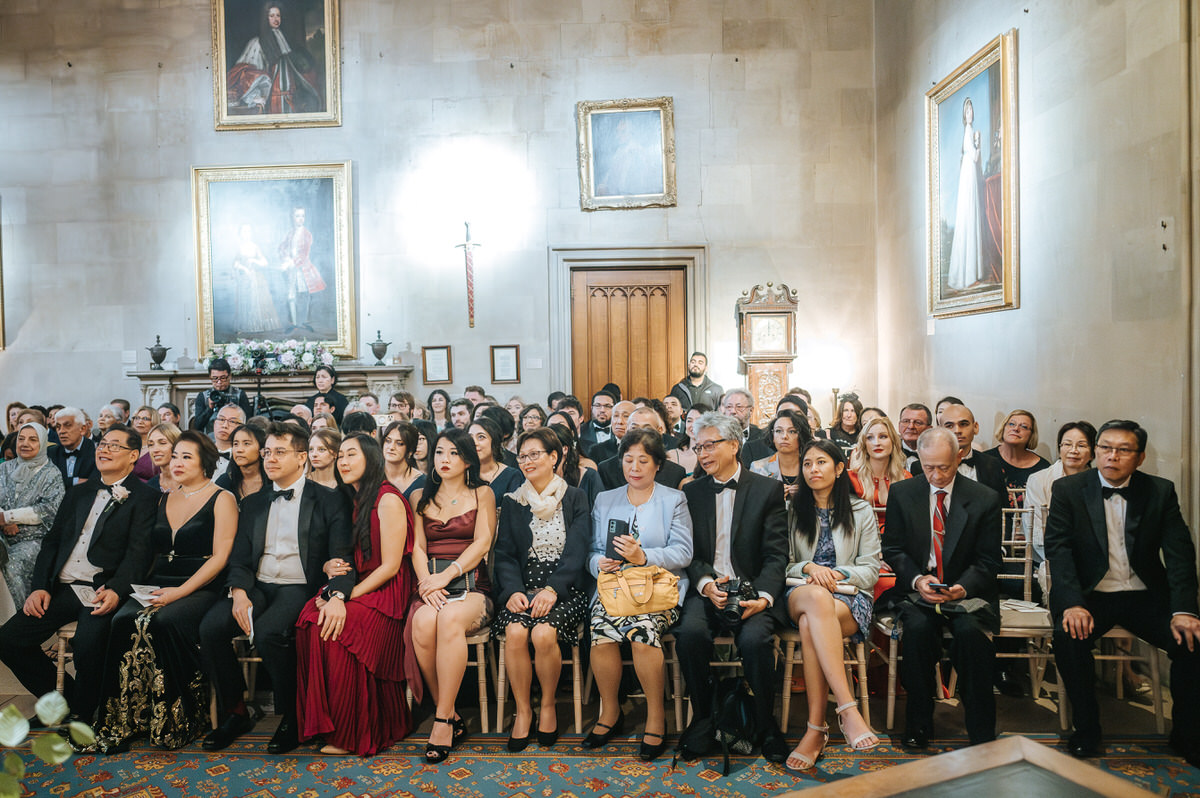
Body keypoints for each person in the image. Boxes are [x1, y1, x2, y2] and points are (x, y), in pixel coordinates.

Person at [1045, 420, 1200, 766]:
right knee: (1068, 638)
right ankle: (1086, 729)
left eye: (1123, 450)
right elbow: (1059, 549)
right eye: (1105, 448)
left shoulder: (1160, 491)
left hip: (1143, 595)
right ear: (1096, 451)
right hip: (1090, 595)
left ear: (1140, 457)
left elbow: (1179, 555)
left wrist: (1185, 609)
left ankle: (1188, 735)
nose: (1112, 456)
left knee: (1192, 642)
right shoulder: (1068, 490)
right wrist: (1071, 603)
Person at [199, 421, 354, 753]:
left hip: (299, 585)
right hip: (256, 585)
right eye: (267, 452)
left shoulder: (329, 500)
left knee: (269, 632)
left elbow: (340, 556)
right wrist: (238, 593)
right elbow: (239, 558)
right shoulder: (254, 502)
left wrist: (335, 587)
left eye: (279, 452)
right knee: (211, 627)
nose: (269, 459)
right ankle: (237, 711)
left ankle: (292, 716)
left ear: (302, 458)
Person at [0, 426, 158, 727]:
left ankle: (83, 714)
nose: (104, 449)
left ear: (133, 456)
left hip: (101, 588)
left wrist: (116, 589)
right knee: (8, 640)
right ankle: (63, 701)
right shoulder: (78, 492)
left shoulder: (144, 498)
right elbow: (52, 542)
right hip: (63, 587)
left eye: (115, 445)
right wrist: (39, 587)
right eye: (102, 444)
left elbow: (139, 554)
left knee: (88, 643)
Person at [94, 431, 237, 752]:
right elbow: (145, 554)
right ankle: (128, 718)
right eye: (175, 456)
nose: (178, 462)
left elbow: (220, 557)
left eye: (187, 456)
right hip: (157, 582)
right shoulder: (163, 498)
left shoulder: (221, 497)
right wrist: (119, 584)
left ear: (205, 462)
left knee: (161, 622)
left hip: (201, 585)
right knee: (122, 621)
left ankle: (175, 716)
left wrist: (180, 592)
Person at [676, 412, 790, 762]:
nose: (703, 454)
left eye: (710, 445)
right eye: (698, 447)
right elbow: (689, 553)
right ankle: (704, 718)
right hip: (708, 590)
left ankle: (765, 724)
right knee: (690, 635)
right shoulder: (691, 492)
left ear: (734, 445)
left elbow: (776, 555)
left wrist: (765, 597)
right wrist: (707, 583)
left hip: (752, 590)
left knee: (756, 641)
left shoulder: (766, 489)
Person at [881, 426, 1002, 748]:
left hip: (968, 593)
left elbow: (989, 560)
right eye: (928, 466)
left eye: (943, 467)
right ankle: (919, 725)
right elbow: (893, 549)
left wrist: (962, 587)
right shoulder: (903, 493)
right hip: (919, 590)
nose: (935, 475)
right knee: (918, 632)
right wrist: (918, 580)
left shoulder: (984, 498)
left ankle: (981, 728)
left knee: (970, 636)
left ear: (959, 457)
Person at [294, 433, 414, 755]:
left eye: (351, 455)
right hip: (361, 582)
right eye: (341, 457)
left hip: (388, 592)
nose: (343, 462)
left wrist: (344, 599)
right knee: (309, 616)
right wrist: (328, 568)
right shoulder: (351, 498)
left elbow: (389, 566)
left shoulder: (387, 498)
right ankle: (322, 723)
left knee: (341, 626)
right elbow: (343, 552)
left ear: (371, 459)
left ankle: (353, 732)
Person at [584, 427, 693, 761]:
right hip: (615, 587)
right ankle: (610, 711)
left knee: (642, 631)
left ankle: (656, 716)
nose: (634, 467)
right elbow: (589, 550)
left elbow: (684, 552)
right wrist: (597, 563)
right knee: (600, 631)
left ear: (657, 464)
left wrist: (642, 556)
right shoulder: (606, 499)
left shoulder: (673, 498)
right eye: (628, 459)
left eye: (642, 460)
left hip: (658, 588)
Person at [782, 438, 880, 771]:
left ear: (839, 469)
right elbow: (781, 562)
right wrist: (809, 568)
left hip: (849, 597)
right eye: (807, 464)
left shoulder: (860, 510)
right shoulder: (792, 510)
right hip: (800, 591)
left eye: (821, 462)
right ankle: (848, 709)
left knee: (813, 622)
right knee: (814, 599)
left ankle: (815, 729)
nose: (813, 470)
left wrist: (836, 574)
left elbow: (871, 567)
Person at [494, 428, 590, 751]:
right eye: (522, 456)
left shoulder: (575, 497)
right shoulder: (513, 501)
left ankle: (547, 705)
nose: (527, 461)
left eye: (536, 454)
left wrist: (553, 589)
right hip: (523, 587)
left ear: (555, 457)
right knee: (517, 634)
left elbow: (577, 552)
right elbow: (505, 554)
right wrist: (512, 592)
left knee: (543, 635)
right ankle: (523, 711)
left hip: (565, 588)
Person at [409, 427, 497, 762]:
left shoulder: (482, 493)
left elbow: (482, 542)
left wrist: (447, 575)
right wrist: (426, 583)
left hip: (471, 583)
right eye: (440, 452)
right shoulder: (420, 497)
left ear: (467, 460)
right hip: (431, 584)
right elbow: (416, 547)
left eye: (454, 453)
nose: (445, 460)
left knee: (448, 620)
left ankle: (443, 720)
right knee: (421, 622)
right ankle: (450, 713)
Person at [1025, 421, 1096, 595]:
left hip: (1095, 559)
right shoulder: (1039, 480)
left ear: (1093, 452)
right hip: (1051, 557)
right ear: (1059, 448)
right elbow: (1036, 535)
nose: (1073, 450)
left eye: (1081, 445)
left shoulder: (1100, 483)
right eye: (1067, 444)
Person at [0, 423, 66, 608]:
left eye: (32, 439)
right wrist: (3, 522)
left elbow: (50, 510)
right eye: (21, 439)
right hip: (2, 535)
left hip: (35, 540)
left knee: (10, 565)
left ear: (43, 443)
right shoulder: (4, 468)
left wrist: (9, 517)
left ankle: (15, 621)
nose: (25, 443)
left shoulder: (52, 474)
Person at [226, 2, 323, 114]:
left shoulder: (287, 41)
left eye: (278, 15)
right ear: (265, 18)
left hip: (291, 99)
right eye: (271, 16)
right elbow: (251, 76)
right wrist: (256, 97)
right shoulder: (258, 43)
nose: (275, 19)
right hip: (273, 101)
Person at [946, 96, 986, 290]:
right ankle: (969, 274)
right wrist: (979, 140)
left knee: (969, 217)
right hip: (968, 176)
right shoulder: (969, 132)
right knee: (969, 217)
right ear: (964, 114)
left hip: (968, 175)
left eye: (971, 111)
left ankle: (970, 273)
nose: (969, 114)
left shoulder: (966, 131)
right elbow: (976, 156)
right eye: (967, 111)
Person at [848, 416, 911, 533]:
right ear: (864, 444)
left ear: (893, 441)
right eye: (870, 438)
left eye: (883, 437)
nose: (876, 443)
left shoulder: (906, 478)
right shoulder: (850, 479)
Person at [982, 409, 1050, 501]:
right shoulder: (984, 460)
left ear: (1031, 435)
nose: (1016, 429)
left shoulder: (1043, 468)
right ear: (1003, 428)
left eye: (1024, 427)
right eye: (1011, 424)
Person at [277, 206, 326, 334]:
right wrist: (286, 258)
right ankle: (293, 323)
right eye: (297, 216)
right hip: (291, 268)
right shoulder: (290, 233)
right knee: (290, 295)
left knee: (304, 295)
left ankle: (304, 321)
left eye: (302, 216)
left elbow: (304, 255)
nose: (300, 219)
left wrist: (292, 263)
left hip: (303, 268)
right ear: (292, 217)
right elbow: (282, 247)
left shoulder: (307, 234)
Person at [939, 403, 1006, 497]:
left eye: (963, 424)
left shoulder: (991, 464)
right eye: (949, 426)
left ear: (975, 427)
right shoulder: (924, 467)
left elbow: (1003, 507)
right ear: (940, 431)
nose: (957, 430)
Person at [750, 409, 813, 506]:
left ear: (801, 436)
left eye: (792, 431)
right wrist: (772, 497)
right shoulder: (758, 468)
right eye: (778, 431)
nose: (784, 436)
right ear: (773, 436)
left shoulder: (812, 467)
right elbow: (752, 505)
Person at [231, 223, 282, 334]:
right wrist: (243, 268)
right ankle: (244, 326)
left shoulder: (254, 246)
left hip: (255, 278)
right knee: (244, 302)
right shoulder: (239, 248)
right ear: (240, 234)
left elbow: (265, 262)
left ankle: (256, 325)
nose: (247, 234)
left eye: (249, 231)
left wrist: (254, 261)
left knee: (255, 302)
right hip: (244, 279)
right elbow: (235, 263)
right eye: (244, 231)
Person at [192, 358, 253, 436]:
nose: (219, 382)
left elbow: (247, 423)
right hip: (210, 439)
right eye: (215, 378)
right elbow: (197, 426)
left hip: (234, 438)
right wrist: (209, 409)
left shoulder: (239, 394)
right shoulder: (203, 396)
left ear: (230, 376)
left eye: (223, 378)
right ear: (210, 377)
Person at [549, 424, 604, 509]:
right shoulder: (537, 477)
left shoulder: (589, 476)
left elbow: (601, 512)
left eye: (550, 447)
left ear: (565, 449)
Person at [471, 418, 522, 502]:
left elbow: (513, 512)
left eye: (481, 437)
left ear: (495, 441)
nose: (474, 442)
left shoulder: (511, 476)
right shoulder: (463, 473)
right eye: (470, 437)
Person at [216, 423, 268, 504]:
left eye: (246, 443)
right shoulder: (224, 482)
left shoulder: (272, 482)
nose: (239, 450)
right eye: (235, 444)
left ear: (261, 449)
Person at [49, 407, 97, 488]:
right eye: (58, 427)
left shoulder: (96, 451)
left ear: (82, 429)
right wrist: (74, 481)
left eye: (67, 426)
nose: (61, 431)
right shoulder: (50, 453)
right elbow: (45, 483)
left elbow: (95, 483)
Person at [382, 420, 425, 501]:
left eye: (399, 443)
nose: (391, 447)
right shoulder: (371, 475)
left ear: (410, 451)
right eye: (388, 441)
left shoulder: (421, 483)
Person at [667, 403, 708, 478]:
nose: (693, 425)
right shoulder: (672, 455)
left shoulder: (713, 455)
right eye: (689, 421)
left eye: (698, 421)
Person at [587, 400, 633, 464]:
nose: (619, 421)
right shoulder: (597, 450)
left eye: (625, 416)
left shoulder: (644, 448)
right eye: (616, 416)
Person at [145, 422, 182, 492]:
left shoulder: (192, 482)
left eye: (162, 443)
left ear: (177, 445)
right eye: (150, 444)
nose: (155, 450)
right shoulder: (150, 485)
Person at [579, 390, 616, 459]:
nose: (602, 410)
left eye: (607, 406)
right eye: (597, 405)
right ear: (591, 408)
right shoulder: (580, 431)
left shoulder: (621, 431)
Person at [828, 393, 863, 460]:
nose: (849, 415)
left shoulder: (863, 435)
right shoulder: (830, 433)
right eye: (845, 410)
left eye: (853, 411)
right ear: (841, 413)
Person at [129, 406, 160, 481]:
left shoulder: (159, 447)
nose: (140, 422)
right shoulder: (126, 444)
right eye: (137, 418)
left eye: (145, 419)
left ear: (154, 422)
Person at [897, 403, 933, 468]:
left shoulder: (935, 454)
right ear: (899, 426)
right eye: (906, 421)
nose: (911, 426)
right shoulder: (890, 452)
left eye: (918, 423)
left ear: (929, 429)